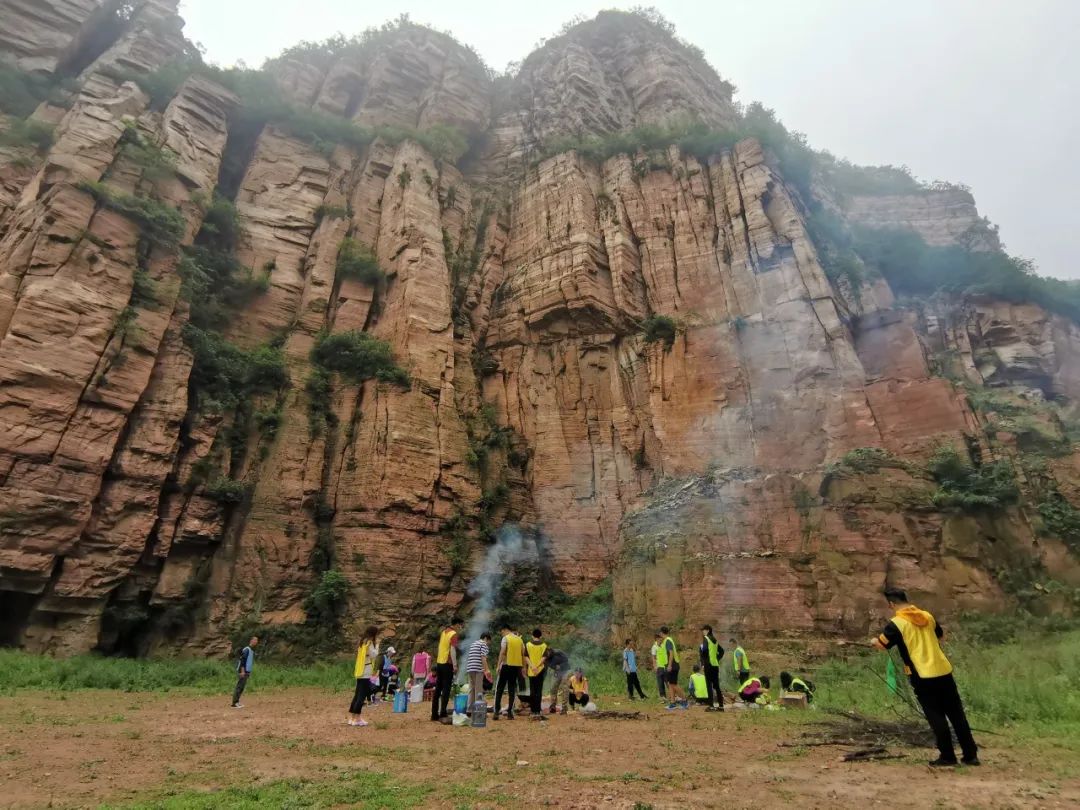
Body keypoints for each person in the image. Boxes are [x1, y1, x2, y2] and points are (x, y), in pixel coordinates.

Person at [871, 587, 979, 766]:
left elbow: (883, 645)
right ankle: (970, 754)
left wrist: (874, 642)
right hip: (943, 670)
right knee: (956, 713)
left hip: (921, 674)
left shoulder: (896, 623)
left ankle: (947, 756)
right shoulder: (927, 616)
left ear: (892, 604)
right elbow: (942, 637)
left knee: (935, 715)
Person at [431, 616, 462, 722]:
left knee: (438, 689)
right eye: (460, 625)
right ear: (457, 624)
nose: (460, 627)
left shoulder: (444, 632)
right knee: (446, 690)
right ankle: (443, 713)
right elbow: (452, 650)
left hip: (439, 663)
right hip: (447, 664)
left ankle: (434, 714)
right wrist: (455, 665)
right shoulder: (453, 634)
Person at [348, 626, 380, 726]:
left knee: (357, 695)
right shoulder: (369, 643)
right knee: (361, 696)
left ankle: (352, 718)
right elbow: (374, 655)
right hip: (365, 672)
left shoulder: (362, 642)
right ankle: (357, 719)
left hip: (360, 671)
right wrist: (377, 646)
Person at [493, 624, 525, 720]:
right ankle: (510, 712)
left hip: (506, 665)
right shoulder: (520, 640)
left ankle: (496, 712)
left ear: (505, 630)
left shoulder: (506, 638)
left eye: (502, 632)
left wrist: (498, 665)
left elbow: (502, 652)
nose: (502, 634)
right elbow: (523, 654)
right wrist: (523, 667)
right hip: (516, 667)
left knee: (500, 688)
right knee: (512, 689)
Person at [658, 626, 688, 709]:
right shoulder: (666, 641)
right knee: (670, 684)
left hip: (672, 666)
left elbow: (671, 653)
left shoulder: (668, 641)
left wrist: (670, 665)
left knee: (674, 684)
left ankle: (684, 700)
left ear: (661, 632)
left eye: (659, 633)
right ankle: (672, 702)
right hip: (670, 665)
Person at [525, 628, 550, 716]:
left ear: (532, 636)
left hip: (531, 671)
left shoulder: (527, 645)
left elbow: (526, 657)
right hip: (540, 671)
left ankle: (532, 710)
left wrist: (532, 666)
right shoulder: (544, 645)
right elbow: (544, 658)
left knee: (532, 690)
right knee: (539, 691)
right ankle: (538, 711)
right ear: (540, 636)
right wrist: (537, 666)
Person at [699, 625, 724, 710]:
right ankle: (721, 706)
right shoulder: (715, 640)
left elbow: (705, 650)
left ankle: (711, 706)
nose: (703, 632)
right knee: (717, 686)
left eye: (703, 630)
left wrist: (703, 662)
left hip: (708, 665)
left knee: (709, 685)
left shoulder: (706, 638)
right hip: (715, 665)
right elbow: (722, 651)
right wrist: (717, 659)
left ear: (708, 630)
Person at [465, 632, 492, 710]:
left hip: (470, 668)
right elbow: (483, 658)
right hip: (478, 669)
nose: (488, 644)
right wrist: (487, 670)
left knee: (471, 689)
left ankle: (469, 709)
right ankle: (478, 710)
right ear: (486, 638)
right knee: (478, 689)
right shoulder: (483, 644)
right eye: (489, 641)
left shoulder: (473, 644)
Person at [231, 636, 258, 708]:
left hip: (246, 671)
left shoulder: (251, 650)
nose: (256, 641)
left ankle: (237, 701)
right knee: (239, 686)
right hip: (243, 671)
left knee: (242, 687)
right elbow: (242, 660)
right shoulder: (247, 649)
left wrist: (248, 672)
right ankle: (234, 703)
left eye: (257, 640)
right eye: (255, 640)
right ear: (251, 640)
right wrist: (242, 671)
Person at [547, 648, 570, 714]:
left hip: (565, 671)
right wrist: (555, 667)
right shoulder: (545, 657)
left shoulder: (558, 652)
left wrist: (560, 666)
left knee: (565, 689)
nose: (547, 654)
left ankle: (564, 708)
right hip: (556, 672)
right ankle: (553, 707)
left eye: (548, 653)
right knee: (553, 689)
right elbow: (550, 665)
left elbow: (566, 660)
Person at [650, 632, 667, 702]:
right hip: (659, 667)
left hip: (665, 666)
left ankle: (673, 696)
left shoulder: (663, 645)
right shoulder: (654, 647)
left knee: (668, 682)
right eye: (660, 638)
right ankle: (663, 697)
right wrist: (655, 666)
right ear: (657, 639)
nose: (661, 639)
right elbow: (653, 658)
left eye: (661, 638)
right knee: (660, 683)